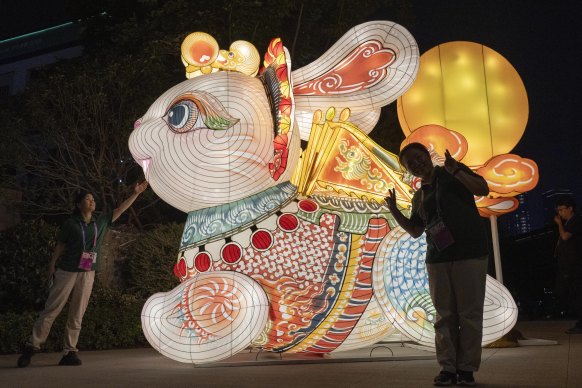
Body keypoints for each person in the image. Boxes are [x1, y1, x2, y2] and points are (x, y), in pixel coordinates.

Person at [385, 143, 489, 387]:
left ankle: (466, 369)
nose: (417, 163)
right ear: (409, 170)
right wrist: (394, 211)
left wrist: (457, 171)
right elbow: (415, 230)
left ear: (427, 156)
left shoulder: (452, 172)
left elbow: (482, 189)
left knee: (470, 314)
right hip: (438, 258)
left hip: (470, 252)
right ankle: (447, 367)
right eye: (411, 163)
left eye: (419, 157)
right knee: (444, 316)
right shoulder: (419, 195)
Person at [17, 181, 148, 368]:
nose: (92, 201)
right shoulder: (70, 224)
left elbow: (120, 209)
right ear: (79, 204)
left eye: (93, 199)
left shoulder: (100, 221)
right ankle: (31, 347)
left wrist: (135, 193)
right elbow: (60, 246)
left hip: (88, 271)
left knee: (77, 313)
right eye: (87, 199)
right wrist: (52, 266)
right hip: (67, 270)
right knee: (52, 309)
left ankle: (69, 351)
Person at [553, 196, 582, 334]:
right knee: (571, 292)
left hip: (575, 265)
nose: (560, 213)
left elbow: (565, 237)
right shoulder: (571, 222)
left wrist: (559, 224)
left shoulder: (575, 220)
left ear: (570, 208)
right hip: (570, 264)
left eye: (562, 210)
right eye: (558, 210)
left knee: (575, 292)